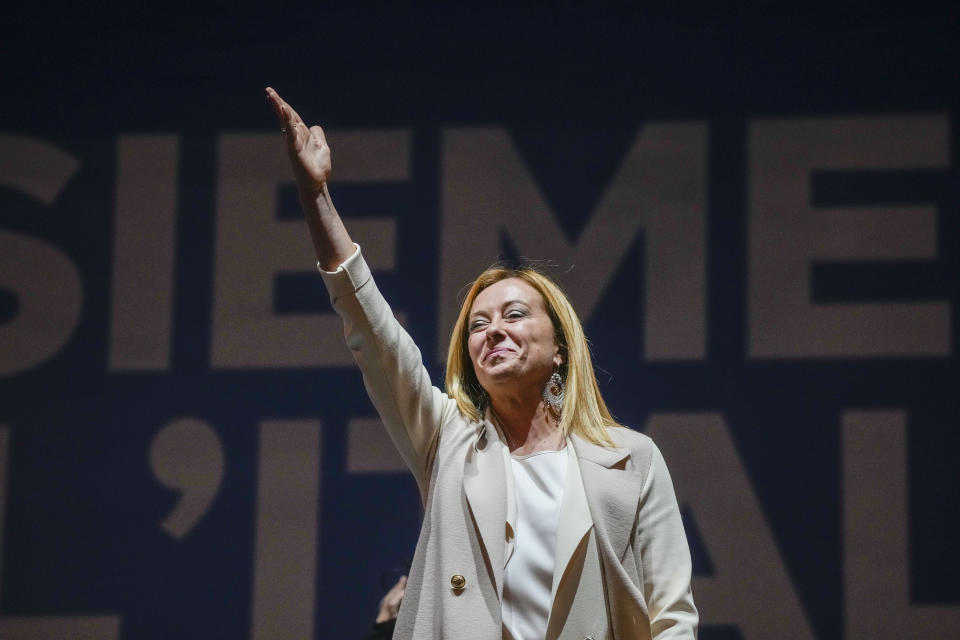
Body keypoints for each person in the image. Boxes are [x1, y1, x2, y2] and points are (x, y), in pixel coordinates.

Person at [265, 87, 698, 640]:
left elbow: (672, 619)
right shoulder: (448, 440)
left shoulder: (631, 460)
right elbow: (375, 337)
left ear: (561, 343)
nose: (492, 329)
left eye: (513, 314)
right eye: (477, 324)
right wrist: (315, 196)